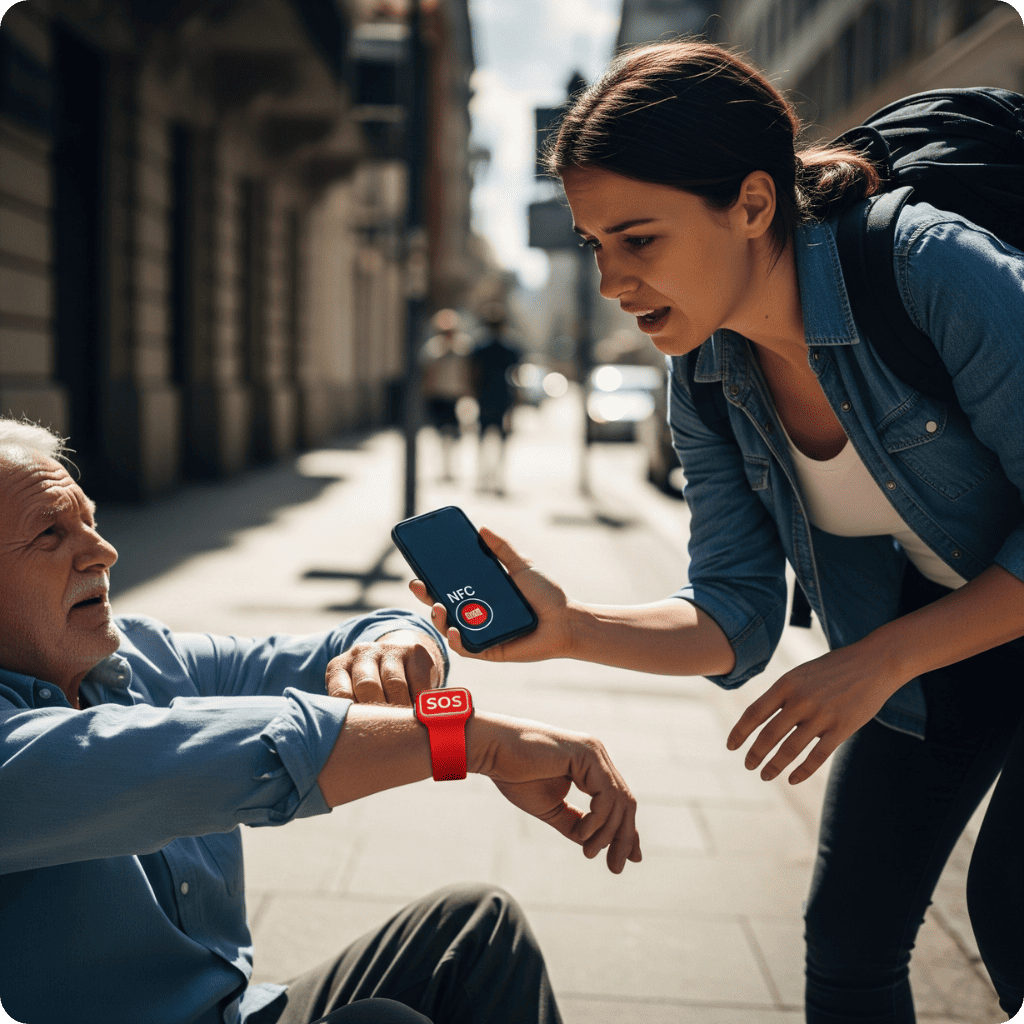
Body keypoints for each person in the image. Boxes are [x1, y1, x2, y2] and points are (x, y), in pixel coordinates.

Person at [411, 39, 1024, 1024]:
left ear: (751, 204)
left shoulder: (925, 266)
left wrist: (878, 660)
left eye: (639, 239)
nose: (611, 280)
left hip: (927, 639)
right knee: (850, 945)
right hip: (942, 641)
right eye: (594, 244)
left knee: (1011, 906)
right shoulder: (704, 370)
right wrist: (570, 628)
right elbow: (735, 613)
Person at [0, 417, 641, 1024]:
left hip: (237, 1009)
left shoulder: (144, 655)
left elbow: (340, 646)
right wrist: (473, 743)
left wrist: (396, 645)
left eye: (91, 521)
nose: (104, 551)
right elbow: (188, 760)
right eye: (50, 534)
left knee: (478, 927)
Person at [469, 306, 521, 495]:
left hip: (484, 396)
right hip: (502, 397)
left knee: (482, 438)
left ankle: (483, 477)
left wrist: (472, 394)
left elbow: (473, 373)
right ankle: (498, 477)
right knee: (502, 440)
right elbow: (515, 376)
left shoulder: (479, 348)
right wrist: (517, 400)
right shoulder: (510, 348)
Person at [420, 309, 472, 482]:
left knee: (455, 434)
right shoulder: (432, 348)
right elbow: (427, 373)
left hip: (456, 396)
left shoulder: (463, 347)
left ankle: (452, 468)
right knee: (439, 434)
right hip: (438, 396)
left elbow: (467, 372)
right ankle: (441, 468)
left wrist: (467, 394)